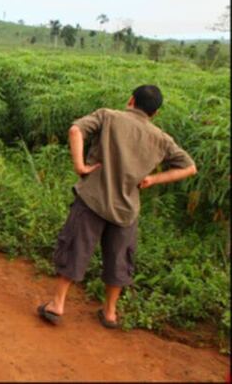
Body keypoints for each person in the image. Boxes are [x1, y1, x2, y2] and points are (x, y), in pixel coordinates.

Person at [37, 85, 197, 329]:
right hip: (126, 208)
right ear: (155, 113)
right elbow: (189, 167)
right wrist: (153, 179)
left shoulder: (108, 116)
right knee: (119, 259)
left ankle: (57, 305)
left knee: (75, 249)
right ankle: (110, 313)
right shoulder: (161, 139)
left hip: (93, 198)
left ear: (131, 100)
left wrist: (80, 166)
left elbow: (75, 130)